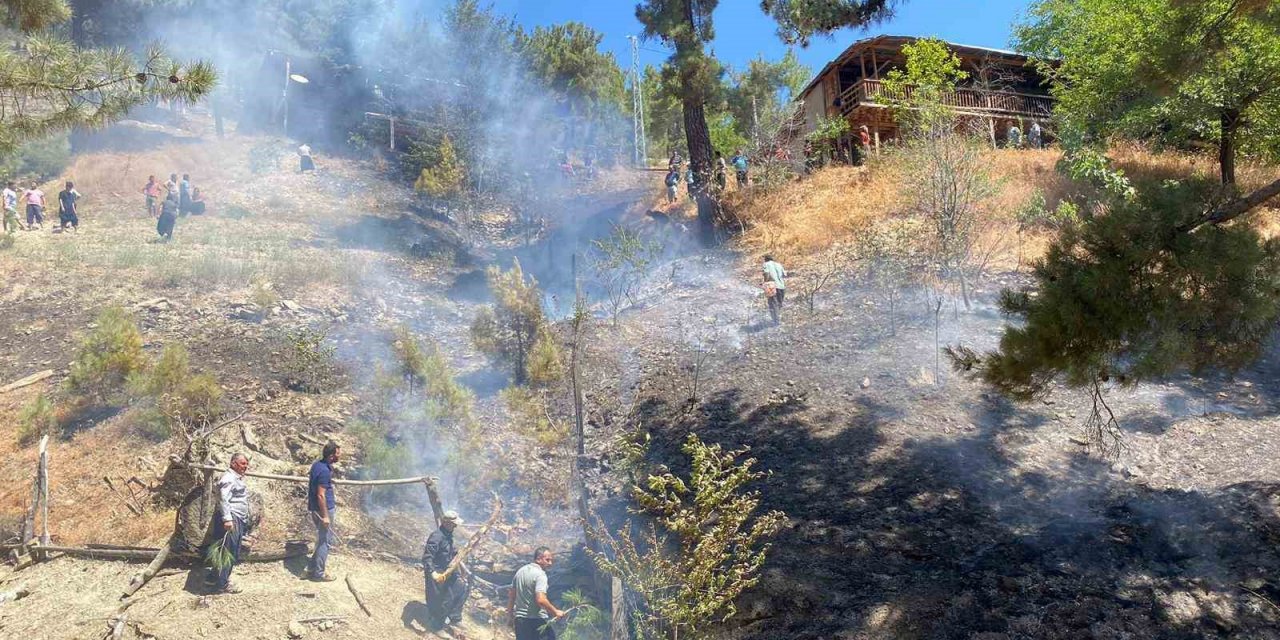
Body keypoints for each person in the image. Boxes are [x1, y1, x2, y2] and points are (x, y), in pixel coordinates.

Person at [424, 510, 471, 633]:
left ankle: (455, 618)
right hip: (437, 572)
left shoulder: (448, 535)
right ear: (446, 523)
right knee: (446, 597)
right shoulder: (436, 536)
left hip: (448, 570)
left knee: (462, 588)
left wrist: (462, 566)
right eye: (453, 524)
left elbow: (452, 552)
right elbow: (427, 557)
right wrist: (433, 573)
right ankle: (437, 626)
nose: (455, 526)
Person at [210, 453, 251, 594]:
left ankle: (215, 578)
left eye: (246, 464)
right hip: (232, 518)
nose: (245, 467)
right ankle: (222, 584)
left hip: (236, 518)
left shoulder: (235, 477)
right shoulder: (229, 478)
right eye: (242, 464)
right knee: (229, 551)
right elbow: (223, 497)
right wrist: (227, 519)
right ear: (233, 463)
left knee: (224, 549)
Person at [508, 547, 565, 640]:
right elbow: (541, 600)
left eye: (551, 560)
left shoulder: (520, 572)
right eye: (547, 560)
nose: (550, 563)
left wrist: (510, 615)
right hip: (536, 621)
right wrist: (556, 612)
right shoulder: (540, 575)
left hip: (520, 622)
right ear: (538, 559)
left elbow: (511, 595)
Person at [306, 442, 340, 582]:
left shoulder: (317, 465)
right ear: (332, 456)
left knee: (321, 539)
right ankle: (319, 574)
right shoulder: (325, 471)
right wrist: (325, 516)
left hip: (315, 508)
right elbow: (321, 494)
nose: (340, 456)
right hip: (324, 510)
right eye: (338, 453)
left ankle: (312, 569)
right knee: (325, 542)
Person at [763, 254, 787, 325]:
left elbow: (766, 274)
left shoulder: (766, 264)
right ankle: (778, 319)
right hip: (782, 286)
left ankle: (776, 322)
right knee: (779, 303)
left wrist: (765, 282)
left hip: (772, 286)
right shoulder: (779, 264)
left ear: (766, 259)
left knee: (773, 304)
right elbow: (784, 275)